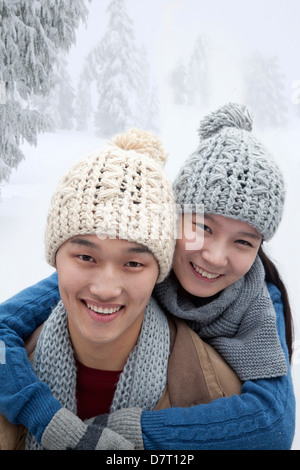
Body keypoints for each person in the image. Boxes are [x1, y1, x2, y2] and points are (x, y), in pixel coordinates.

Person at [0, 104, 295, 450]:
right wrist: (44, 415)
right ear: (172, 219)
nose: (215, 256)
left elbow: (273, 422)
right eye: (202, 227)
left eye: (243, 242)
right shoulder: (140, 262)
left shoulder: (257, 306)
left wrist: (134, 432)